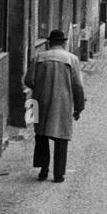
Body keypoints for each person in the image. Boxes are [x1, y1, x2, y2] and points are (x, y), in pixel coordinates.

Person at [25, 29, 85, 183]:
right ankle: (59, 174)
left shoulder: (38, 57)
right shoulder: (72, 59)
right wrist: (79, 107)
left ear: (49, 43)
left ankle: (43, 170)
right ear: (64, 43)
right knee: (61, 138)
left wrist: (41, 86)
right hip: (63, 103)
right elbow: (78, 86)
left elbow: (28, 80)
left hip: (40, 101)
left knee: (41, 135)